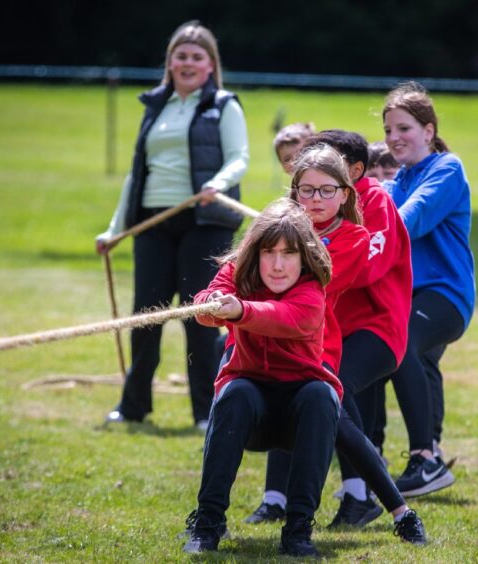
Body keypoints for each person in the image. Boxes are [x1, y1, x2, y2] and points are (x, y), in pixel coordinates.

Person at [244, 144, 427, 543]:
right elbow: (241, 269)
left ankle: (382, 505)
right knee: (301, 400)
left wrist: (268, 283)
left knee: (332, 406)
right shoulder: (291, 226)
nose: (316, 199)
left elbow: (315, 286)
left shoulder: (354, 230)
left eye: (327, 189)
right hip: (303, 339)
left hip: (341, 338)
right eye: (306, 190)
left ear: (347, 184)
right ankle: (270, 504)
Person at [95, 21, 249, 429]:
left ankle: (206, 411)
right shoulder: (156, 106)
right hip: (152, 221)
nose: (187, 63)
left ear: (210, 64)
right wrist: (115, 230)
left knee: (201, 316)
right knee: (145, 314)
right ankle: (133, 405)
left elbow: (239, 158)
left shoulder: (224, 104)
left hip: (206, 219)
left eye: (197, 57)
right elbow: (135, 174)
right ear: (170, 62)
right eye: (180, 56)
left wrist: (217, 183)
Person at [182, 198, 338, 557]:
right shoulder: (238, 271)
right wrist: (214, 302)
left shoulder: (311, 291)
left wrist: (241, 310)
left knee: (321, 395)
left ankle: (298, 530)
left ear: (305, 258)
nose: (278, 265)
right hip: (248, 409)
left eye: (289, 254)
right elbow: (206, 305)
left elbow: (284, 317)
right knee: (234, 393)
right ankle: (207, 524)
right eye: (269, 252)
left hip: (299, 411)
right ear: (255, 253)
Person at [382, 82, 476, 497]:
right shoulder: (396, 180)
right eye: (388, 131)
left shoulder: (447, 168)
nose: (394, 138)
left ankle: (425, 459)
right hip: (408, 298)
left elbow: (413, 218)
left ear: (428, 130)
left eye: (404, 128)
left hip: (446, 295)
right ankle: (375, 467)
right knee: (404, 355)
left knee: (402, 344)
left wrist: (377, 227)